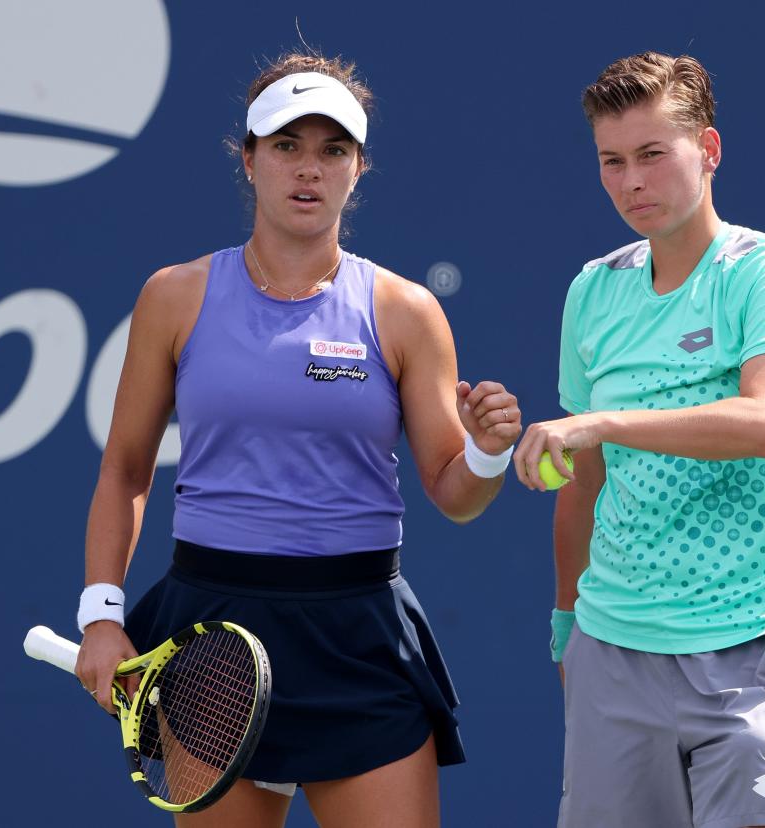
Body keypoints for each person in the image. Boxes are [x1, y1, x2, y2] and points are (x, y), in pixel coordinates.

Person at [73, 51, 521, 828]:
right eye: (286, 146)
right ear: (248, 160)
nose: (308, 170)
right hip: (213, 638)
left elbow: (455, 492)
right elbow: (124, 471)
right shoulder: (173, 298)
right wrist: (102, 614)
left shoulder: (404, 310)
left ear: (358, 168)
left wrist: (485, 451)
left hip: (360, 639)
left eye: (332, 150)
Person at [513, 52, 765, 828]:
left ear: (708, 152)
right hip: (612, 651)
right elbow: (583, 484)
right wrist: (566, 628)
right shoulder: (593, 290)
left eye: (653, 155)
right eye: (611, 162)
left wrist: (607, 424)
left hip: (755, 647)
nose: (631, 182)